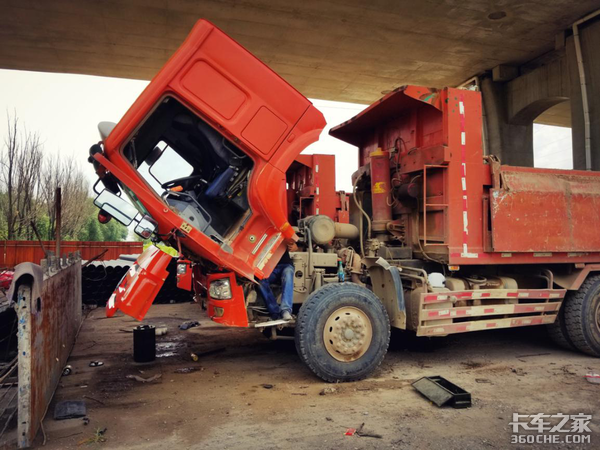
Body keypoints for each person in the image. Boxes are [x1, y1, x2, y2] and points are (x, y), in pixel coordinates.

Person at [258, 241, 298, 321]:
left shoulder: (282, 229)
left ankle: (286, 310)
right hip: (268, 268)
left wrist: (294, 246)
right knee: (260, 281)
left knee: (288, 272)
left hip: (285, 265)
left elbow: (295, 244)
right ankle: (275, 312)